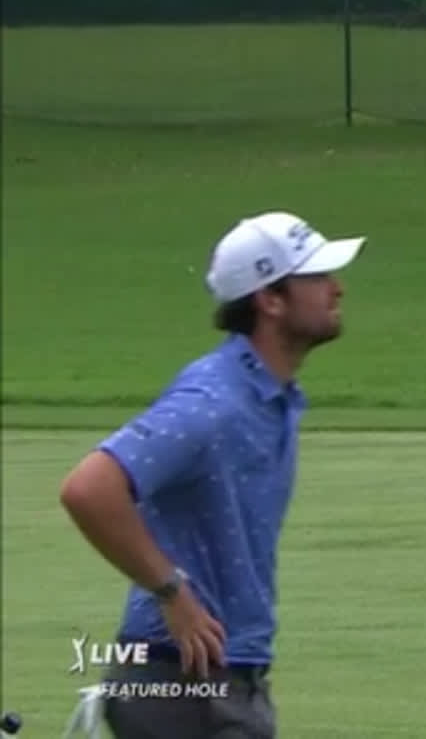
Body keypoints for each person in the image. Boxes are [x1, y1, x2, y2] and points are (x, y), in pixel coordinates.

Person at [57, 211, 367, 739]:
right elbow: (89, 488)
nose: (336, 289)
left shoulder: (270, 396)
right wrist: (171, 590)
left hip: (215, 676)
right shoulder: (213, 403)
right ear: (270, 300)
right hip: (182, 681)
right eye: (316, 278)